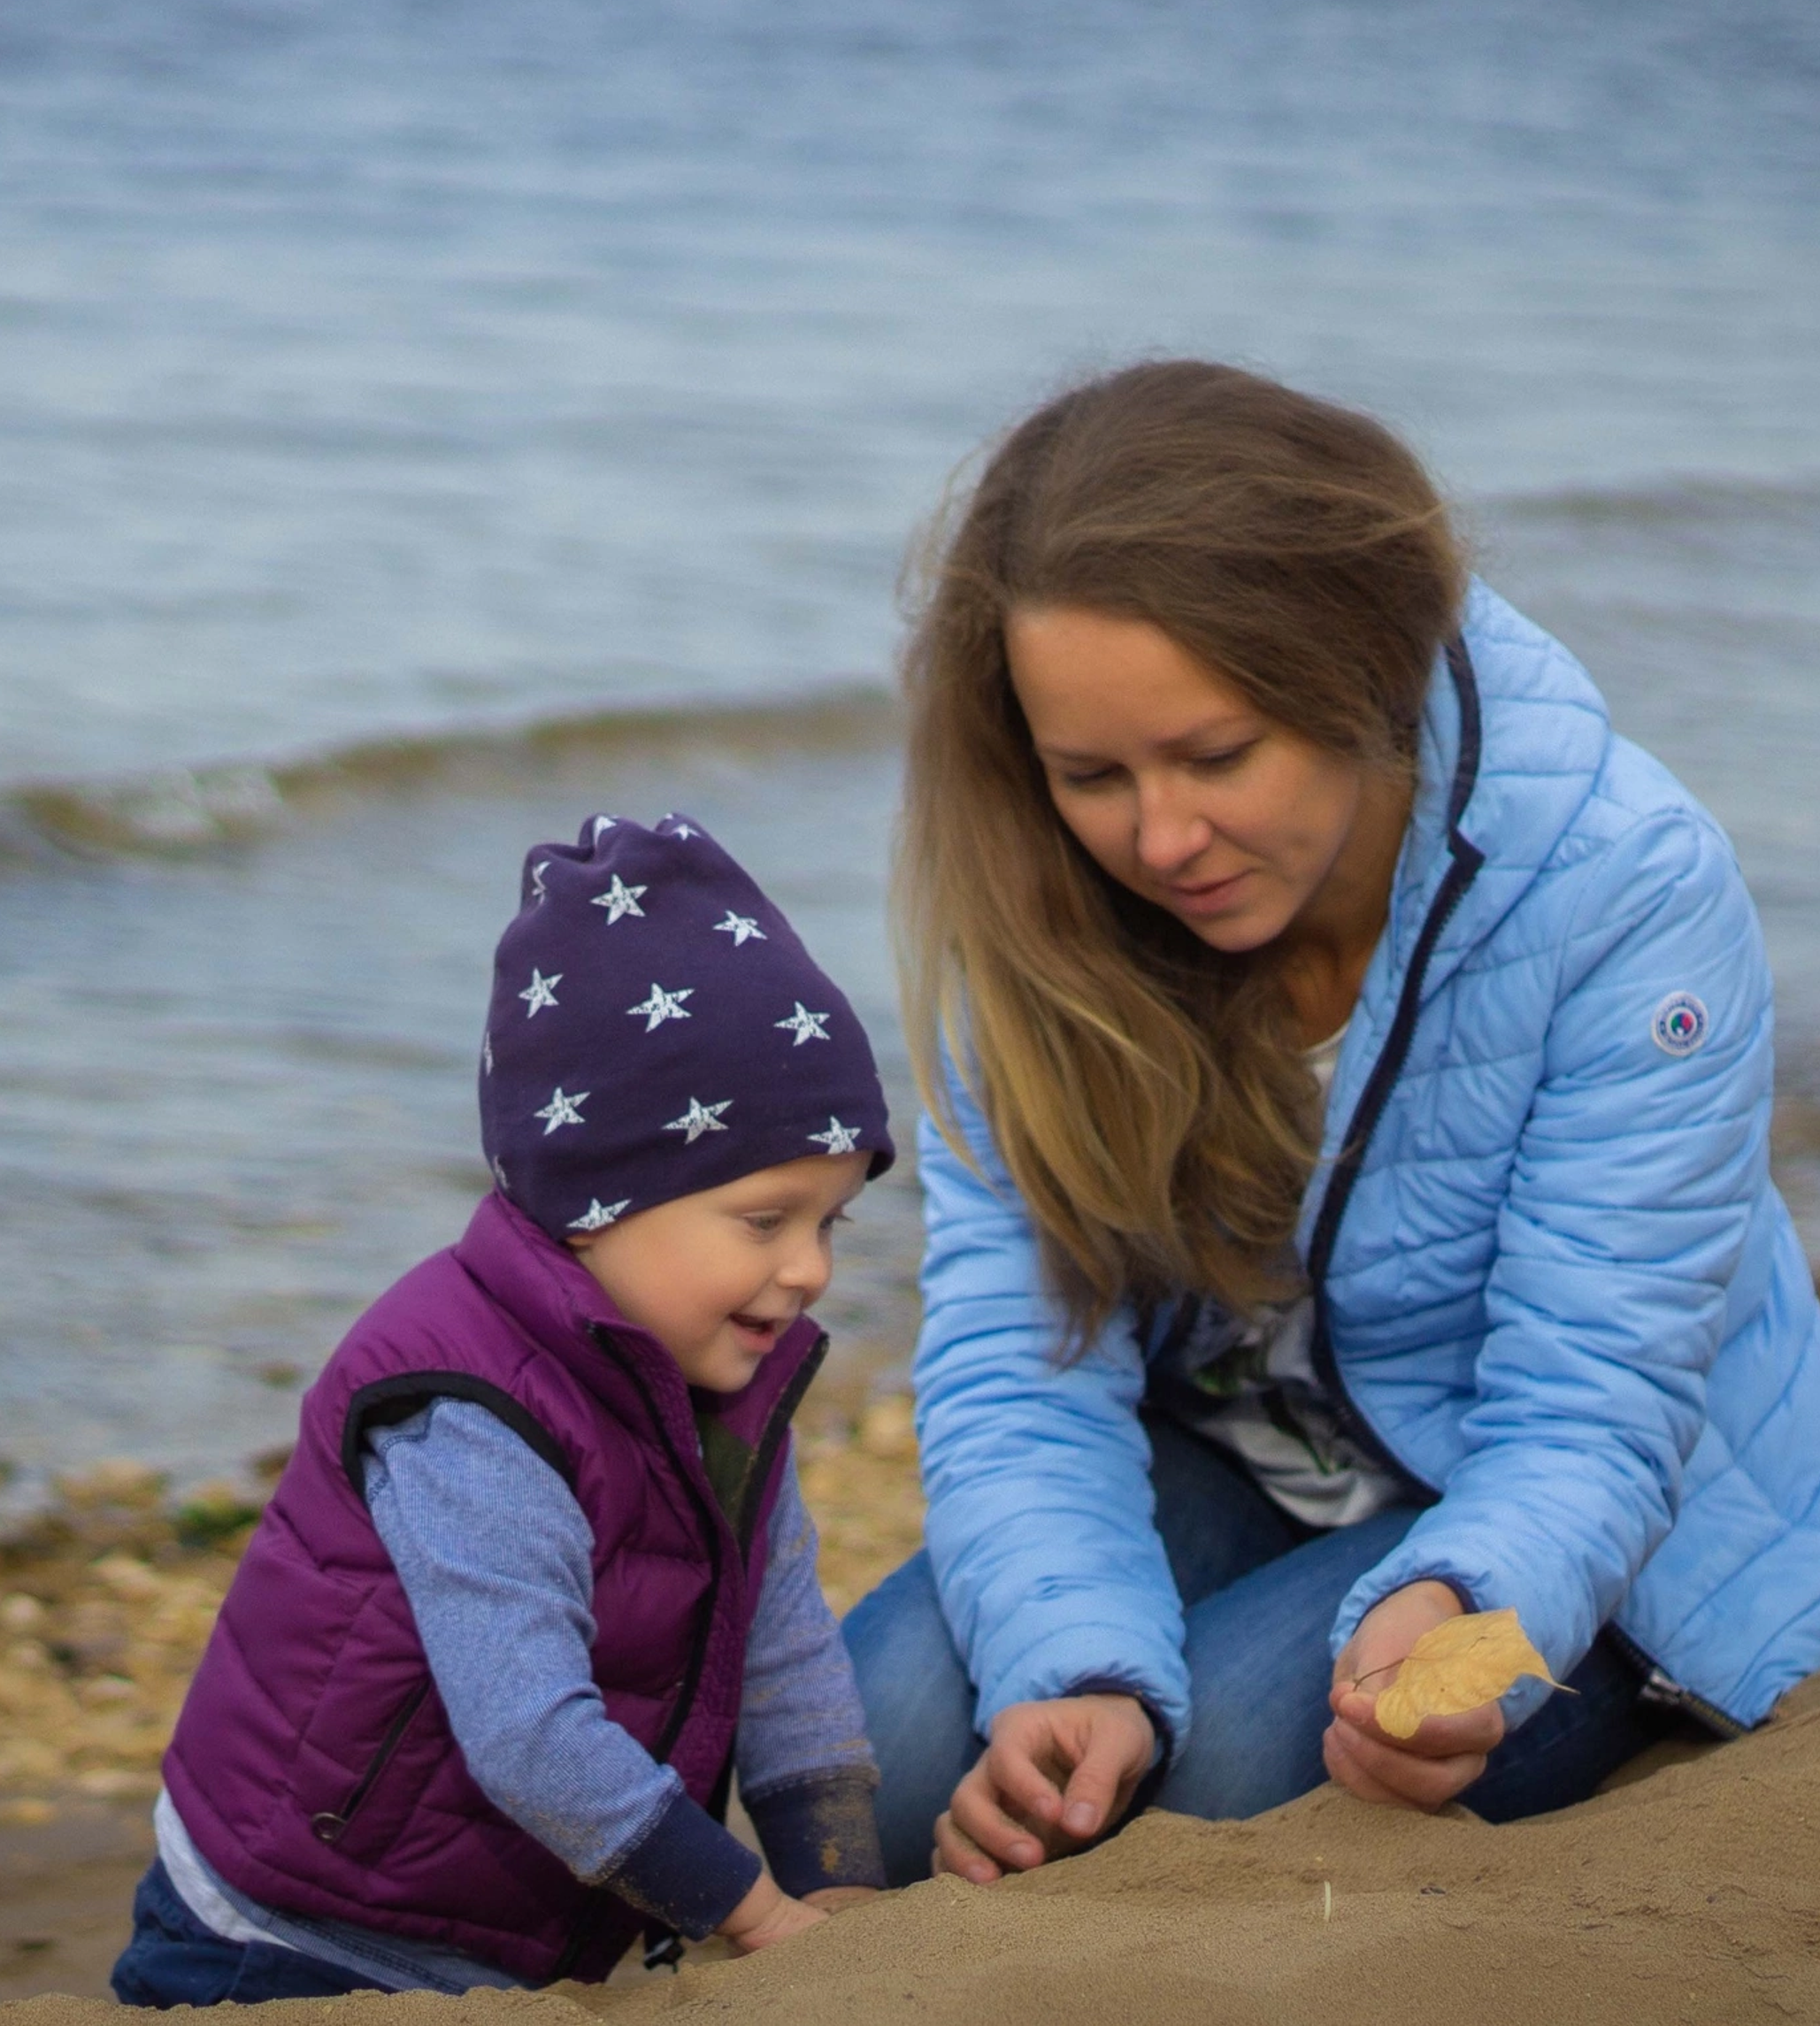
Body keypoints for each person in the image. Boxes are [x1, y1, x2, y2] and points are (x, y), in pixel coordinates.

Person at [844, 359, 1820, 1889]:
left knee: (1222, 1787)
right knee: (878, 1753)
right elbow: (1018, 1366)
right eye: (1091, 775)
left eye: (1217, 756)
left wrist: (1462, 1611)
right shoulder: (1040, 899)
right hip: (1237, 1451)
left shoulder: (1627, 891)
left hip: (1554, 1506)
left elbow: (1595, 1406)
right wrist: (1070, 1667)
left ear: (1367, 671)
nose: (1162, 838)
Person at [115, 813, 892, 2005]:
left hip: (501, 1946)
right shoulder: (469, 1409)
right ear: (596, 1201)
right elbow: (531, 1736)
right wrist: (756, 1916)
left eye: (831, 1222)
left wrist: (838, 1886)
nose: (811, 1271)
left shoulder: (733, 1385)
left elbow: (783, 1649)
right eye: (764, 1221)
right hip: (288, 1936)